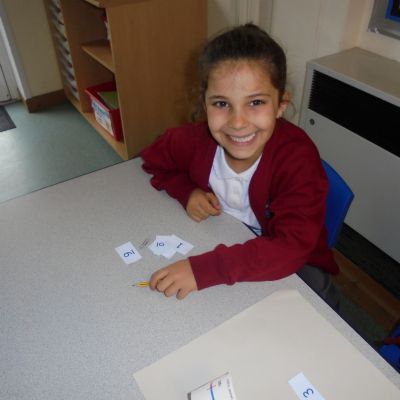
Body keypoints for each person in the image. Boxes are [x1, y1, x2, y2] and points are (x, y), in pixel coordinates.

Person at [141, 23, 339, 307]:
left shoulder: (297, 158)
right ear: (205, 104)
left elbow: (291, 248)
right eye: (221, 104)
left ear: (281, 104)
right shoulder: (193, 140)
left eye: (255, 102)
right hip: (227, 243)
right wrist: (187, 191)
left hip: (298, 268)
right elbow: (154, 160)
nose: (237, 122)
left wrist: (204, 270)